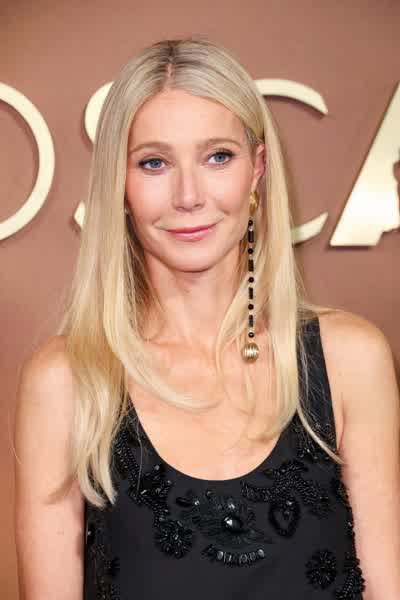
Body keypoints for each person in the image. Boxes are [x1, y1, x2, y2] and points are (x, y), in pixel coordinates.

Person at [14, 37, 400, 599]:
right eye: (154, 163)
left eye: (218, 156)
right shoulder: (67, 381)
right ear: (119, 185)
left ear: (257, 169)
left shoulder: (350, 359)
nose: (189, 195)